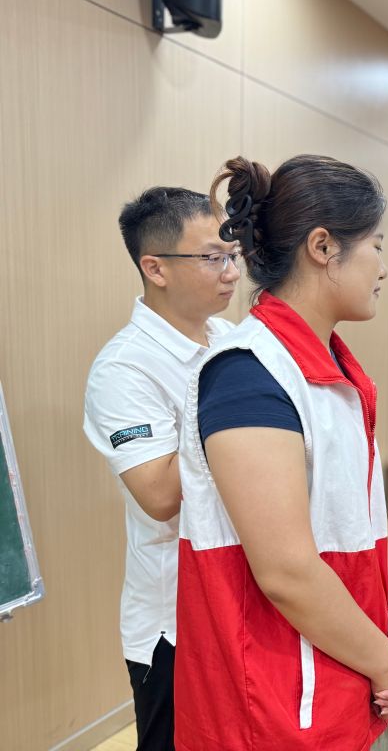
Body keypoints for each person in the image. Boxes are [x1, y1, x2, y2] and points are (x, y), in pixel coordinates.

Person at [174, 155, 388, 750]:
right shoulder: (248, 374)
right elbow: (286, 571)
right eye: (375, 246)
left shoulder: (336, 369)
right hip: (277, 706)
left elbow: (366, 521)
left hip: (353, 679)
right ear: (322, 246)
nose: (383, 267)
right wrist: (384, 663)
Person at [83, 187, 240, 751]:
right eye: (212, 258)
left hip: (243, 598)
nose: (231, 272)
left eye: (233, 255)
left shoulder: (231, 340)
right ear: (155, 268)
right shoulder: (124, 369)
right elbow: (158, 494)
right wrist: (243, 417)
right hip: (176, 620)